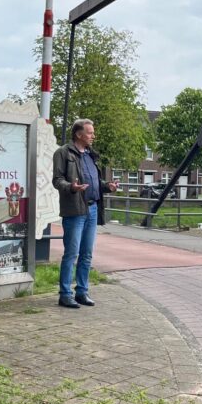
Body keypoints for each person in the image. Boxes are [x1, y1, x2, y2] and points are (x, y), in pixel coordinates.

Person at [52, 118, 118, 309]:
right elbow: (57, 180)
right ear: (79, 134)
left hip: (92, 209)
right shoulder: (63, 153)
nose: (93, 135)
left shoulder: (90, 155)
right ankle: (65, 294)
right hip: (74, 210)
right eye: (90, 132)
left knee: (86, 254)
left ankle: (82, 291)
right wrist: (71, 187)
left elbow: (95, 182)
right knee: (71, 253)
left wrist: (108, 187)